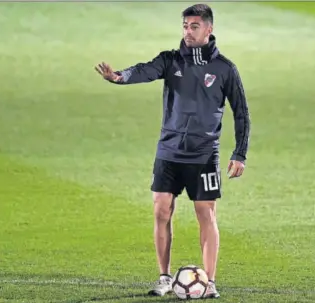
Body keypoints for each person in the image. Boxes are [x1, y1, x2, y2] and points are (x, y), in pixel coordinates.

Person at [95, 3, 250, 299]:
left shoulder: (225, 69)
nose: (188, 32)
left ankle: (210, 282)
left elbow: (241, 112)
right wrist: (119, 77)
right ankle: (165, 278)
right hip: (168, 151)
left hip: (204, 154)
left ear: (209, 29)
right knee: (161, 210)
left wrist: (239, 153)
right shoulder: (170, 60)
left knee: (206, 214)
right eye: (185, 26)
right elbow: (144, 70)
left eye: (194, 26)